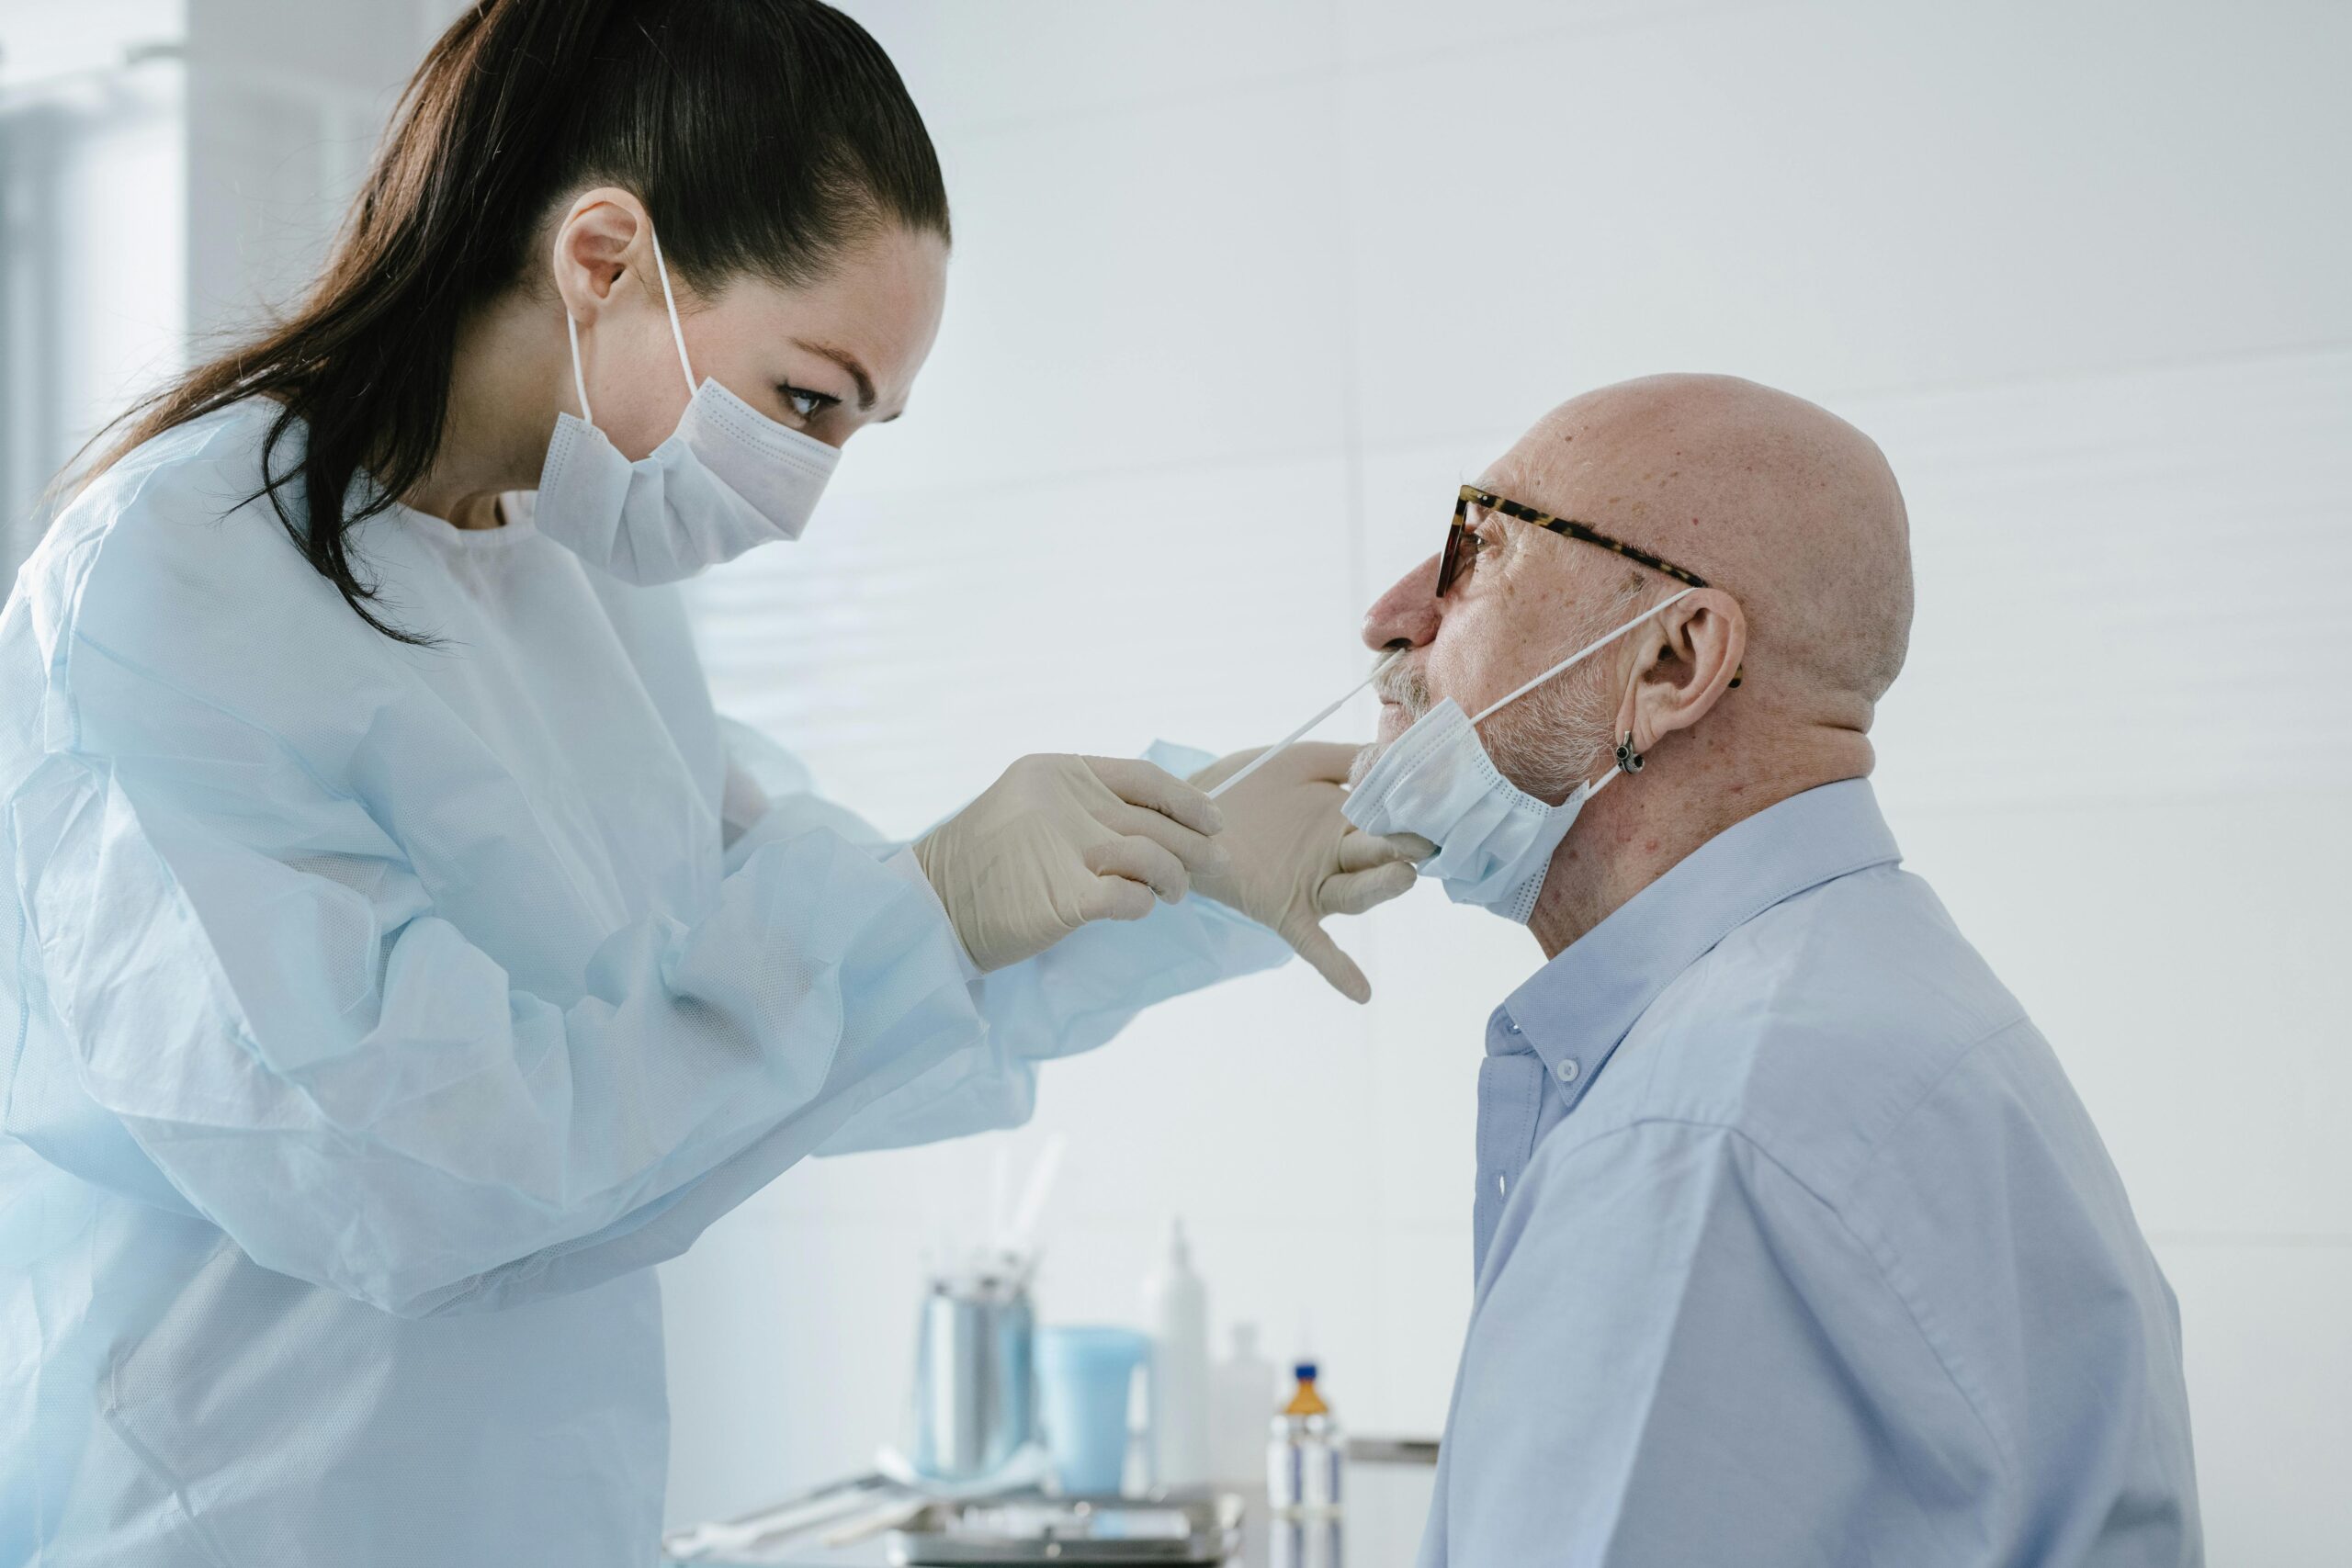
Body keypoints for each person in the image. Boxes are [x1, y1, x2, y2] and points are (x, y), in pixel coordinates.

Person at [0, 4, 1418, 1563]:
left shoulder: (576, 587)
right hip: (236, 1521)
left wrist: (1185, 870)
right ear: (603, 260)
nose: (806, 496)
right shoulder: (172, 585)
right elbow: (412, 1177)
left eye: (855, 426)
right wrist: (927, 910)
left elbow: (772, 1041)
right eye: (809, 398)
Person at [1346, 374, 2199, 1565]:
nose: (1390, 616)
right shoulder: (1885, 1002)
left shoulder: (1701, 1144)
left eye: (1478, 549)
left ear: (1675, 658)